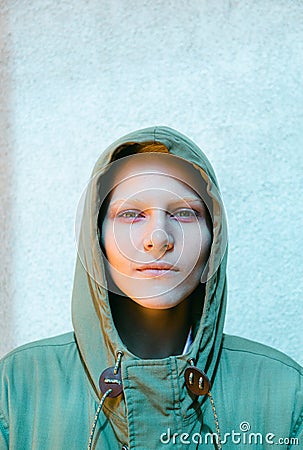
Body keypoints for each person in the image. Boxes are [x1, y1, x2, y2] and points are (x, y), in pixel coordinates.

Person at [0, 126, 302, 449]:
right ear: (96, 237)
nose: (158, 238)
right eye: (131, 214)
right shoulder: (17, 389)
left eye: (185, 213)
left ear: (214, 238)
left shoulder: (284, 395)